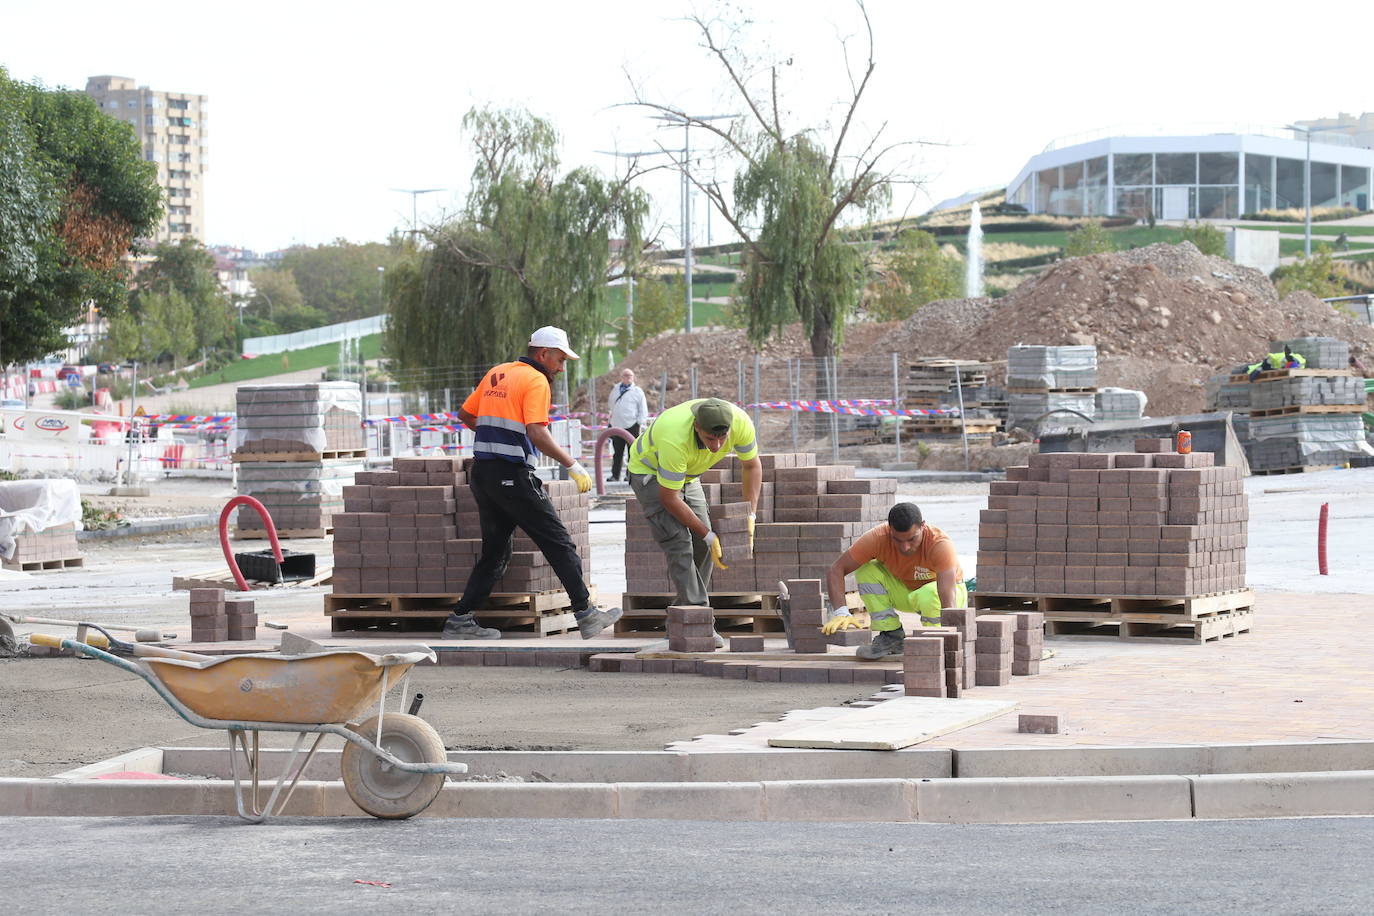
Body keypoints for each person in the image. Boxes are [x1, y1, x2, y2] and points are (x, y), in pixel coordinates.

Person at [441, 326, 621, 641]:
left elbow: (466, 414)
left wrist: (495, 438)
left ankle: (460, 620)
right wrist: (573, 464)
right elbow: (537, 432)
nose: (562, 367)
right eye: (560, 359)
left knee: (496, 552)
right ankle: (586, 614)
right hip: (512, 475)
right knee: (559, 542)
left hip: (483, 474)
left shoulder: (498, 372)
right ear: (543, 354)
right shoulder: (536, 380)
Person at [626, 398, 761, 636]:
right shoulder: (675, 436)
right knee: (679, 542)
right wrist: (708, 534)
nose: (718, 446)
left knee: (705, 546)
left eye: (723, 438)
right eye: (711, 439)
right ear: (697, 427)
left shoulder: (741, 423)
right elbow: (669, 498)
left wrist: (750, 515)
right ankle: (699, 622)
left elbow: (751, 466)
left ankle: (682, 619)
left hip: (687, 475)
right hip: (650, 474)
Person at [821, 502, 967, 660]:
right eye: (898, 540)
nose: (905, 547)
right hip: (906, 591)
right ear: (889, 529)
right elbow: (836, 569)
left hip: (946, 594)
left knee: (928, 594)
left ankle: (936, 642)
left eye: (912, 539)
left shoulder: (939, 544)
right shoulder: (878, 538)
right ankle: (892, 637)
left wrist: (952, 643)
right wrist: (841, 612)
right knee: (866, 570)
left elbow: (947, 599)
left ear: (923, 526)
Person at [606, 367, 648, 482]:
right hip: (617, 425)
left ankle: (630, 475)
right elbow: (611, 404)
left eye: (630, 376)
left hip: (632, 425)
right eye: (625, 375)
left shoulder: (637, 391)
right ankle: (615, 475)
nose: (628, 378)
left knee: (632, 453)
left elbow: (643, 408)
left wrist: (639, 422)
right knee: (617, 452)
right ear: (621, 377)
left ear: (633, 377)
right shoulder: (615, 389)